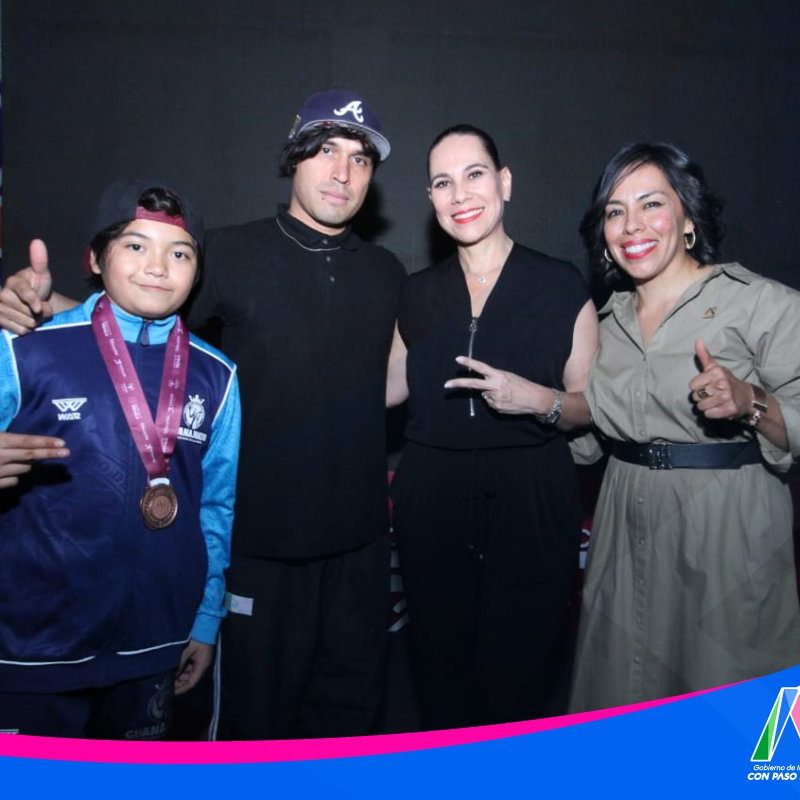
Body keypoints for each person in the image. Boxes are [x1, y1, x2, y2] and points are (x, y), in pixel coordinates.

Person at [0, 90, 406, 739]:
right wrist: (42, 309)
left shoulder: (387, 271)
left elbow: (393, 383)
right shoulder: (228, 252)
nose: (342, 172)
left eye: (360, 159)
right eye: (326, 150)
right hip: (260, 551)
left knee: (350, 727)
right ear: (294, 157)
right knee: (252, 733)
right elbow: (138, 318)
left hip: (359, 552)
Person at [0, 180, 241, 738]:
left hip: (155, 642)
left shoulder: (217, 375)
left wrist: (206, 619)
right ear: (94, 258)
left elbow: (216, 506)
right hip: (34, 644)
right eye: (135, 246)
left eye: (179, 253)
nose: (157, 267)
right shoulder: (25, 348)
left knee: (137, 779)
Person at [568, 142, 800, 712]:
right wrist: (543, 402)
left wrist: (750, 401)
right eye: (616, 211)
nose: (632, 225)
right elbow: (586, 440)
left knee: (731, 692)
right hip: (624, 526)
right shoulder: (601, 323)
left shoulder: (763, 304)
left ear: (689, 218)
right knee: (621, 693)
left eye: (651, 204)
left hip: (726, 528)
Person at [385, 124, 598, 729]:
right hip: (433, 508)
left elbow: (591, 407)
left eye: (474, 174)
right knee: (440, 687)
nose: (460, 194)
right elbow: (387, 388)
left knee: (517, 688)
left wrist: (538, 400)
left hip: (532, 505)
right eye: (442, 182)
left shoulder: (560, 284)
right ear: (430, 198)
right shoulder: (416, 294)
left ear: (504, 182)